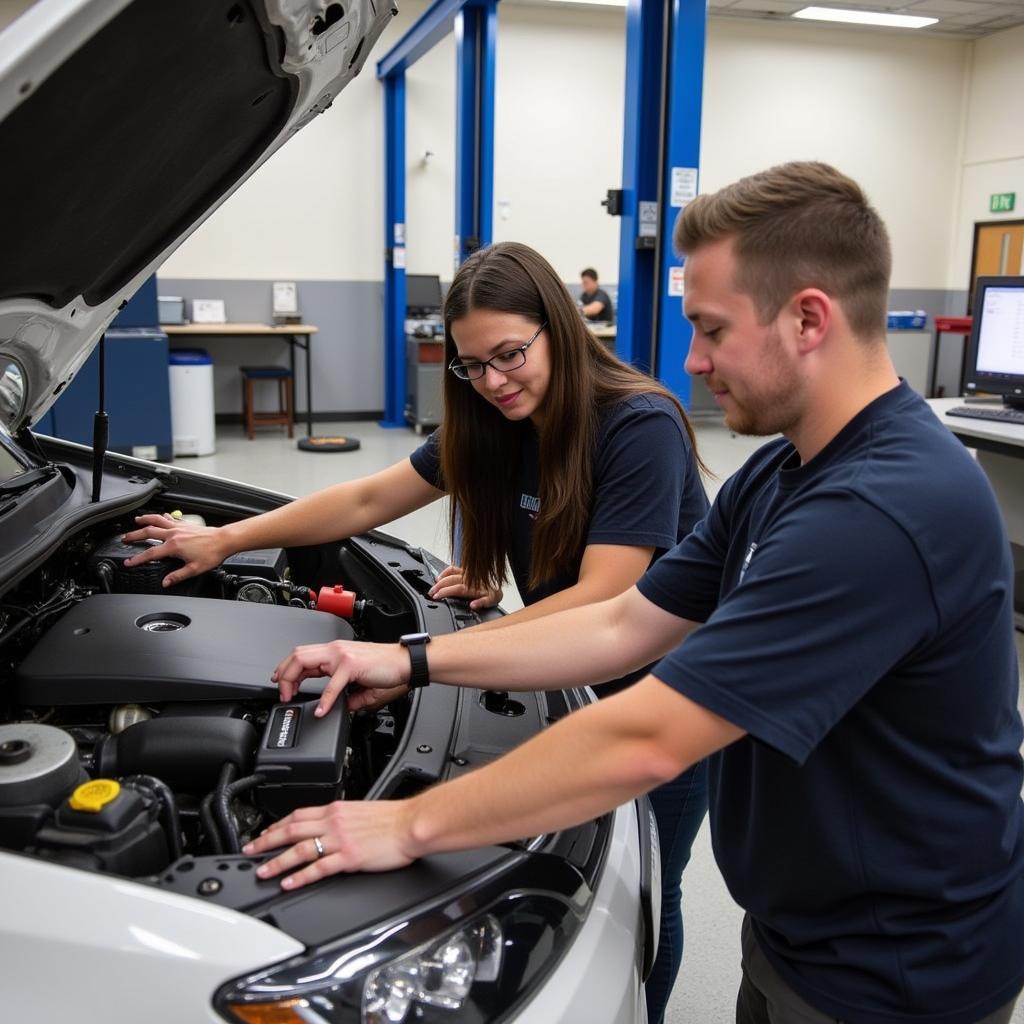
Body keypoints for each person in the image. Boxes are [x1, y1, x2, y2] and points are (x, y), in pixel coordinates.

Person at [249, 162, 1024, 1024]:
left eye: (711, 329)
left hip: (900, 975)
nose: (691, 360)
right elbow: (622, 620)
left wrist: (404, 825)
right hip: (802, 932)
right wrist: (409, 660)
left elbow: (650, 738)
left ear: (808, 318)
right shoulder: (780, 471)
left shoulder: (880, 510)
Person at [122, 240, 710, 1024]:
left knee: (646, 894)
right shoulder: (495, 418)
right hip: (564, 680)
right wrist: (228, 540)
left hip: (663, 696)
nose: (493, 382)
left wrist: (413, 658)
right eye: (471, 365)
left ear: (559, 328)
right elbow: (367, 499)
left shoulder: (639, 425)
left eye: (509, 355)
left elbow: (607, 599)